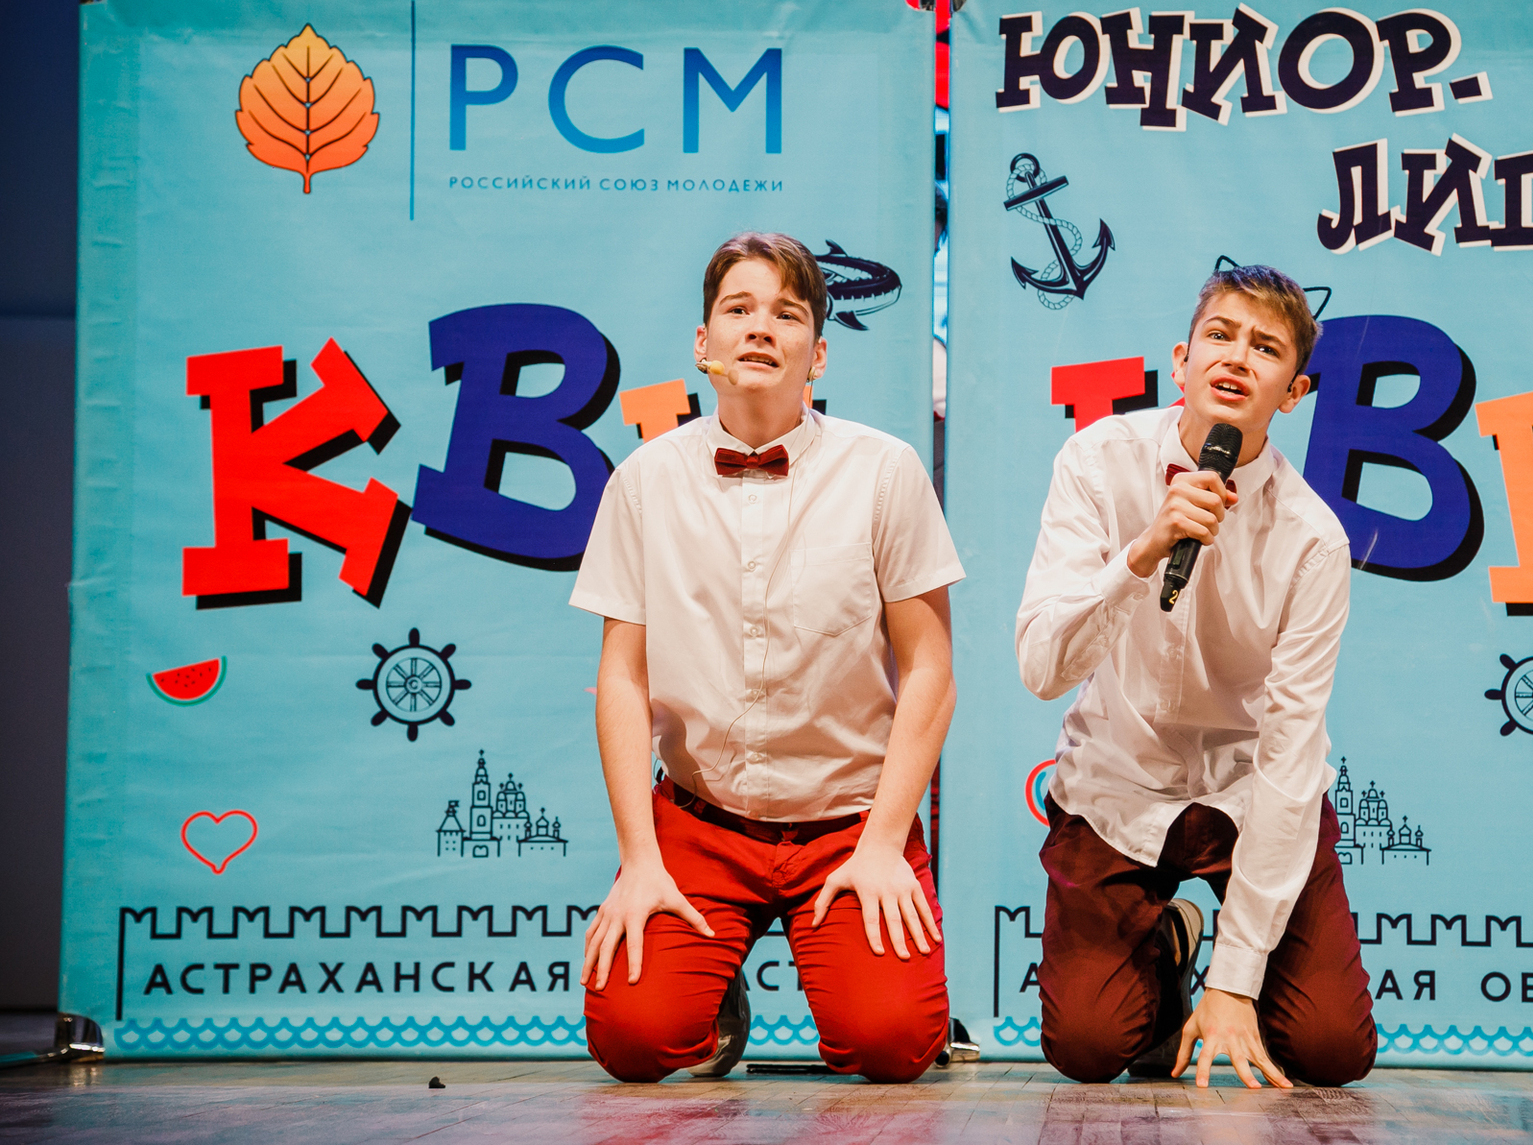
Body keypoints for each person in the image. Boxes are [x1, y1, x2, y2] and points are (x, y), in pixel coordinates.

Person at [570, 232, 963, 1083]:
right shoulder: (643, 481)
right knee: (633, 1041)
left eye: (786, 314)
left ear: (817, 354)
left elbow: (930, 670)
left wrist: (884, 842)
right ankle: (712, 993)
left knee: (892, 1044)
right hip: (702, 820)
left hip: (849, 821)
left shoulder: (885, 471)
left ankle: (854, 956)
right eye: (738, 309)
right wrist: (640, 860)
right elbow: (622, 678)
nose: (759, 328)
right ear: (702, 343)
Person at [1016, 264, 1375, 1089]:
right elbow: (1042, 668)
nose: (1237, 357)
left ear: (1293, 394)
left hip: (1248, 789)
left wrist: (1235, 984)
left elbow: (1290, 753)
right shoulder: (1096, 462)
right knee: (1088, 1049)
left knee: (1331, 1051)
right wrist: (1142, 554)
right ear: (1182, 362)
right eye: (1220, 335)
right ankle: (1169, 944)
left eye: (1266, 348)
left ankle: (1223, 975)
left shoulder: (1313, 539)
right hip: (1119, 780)